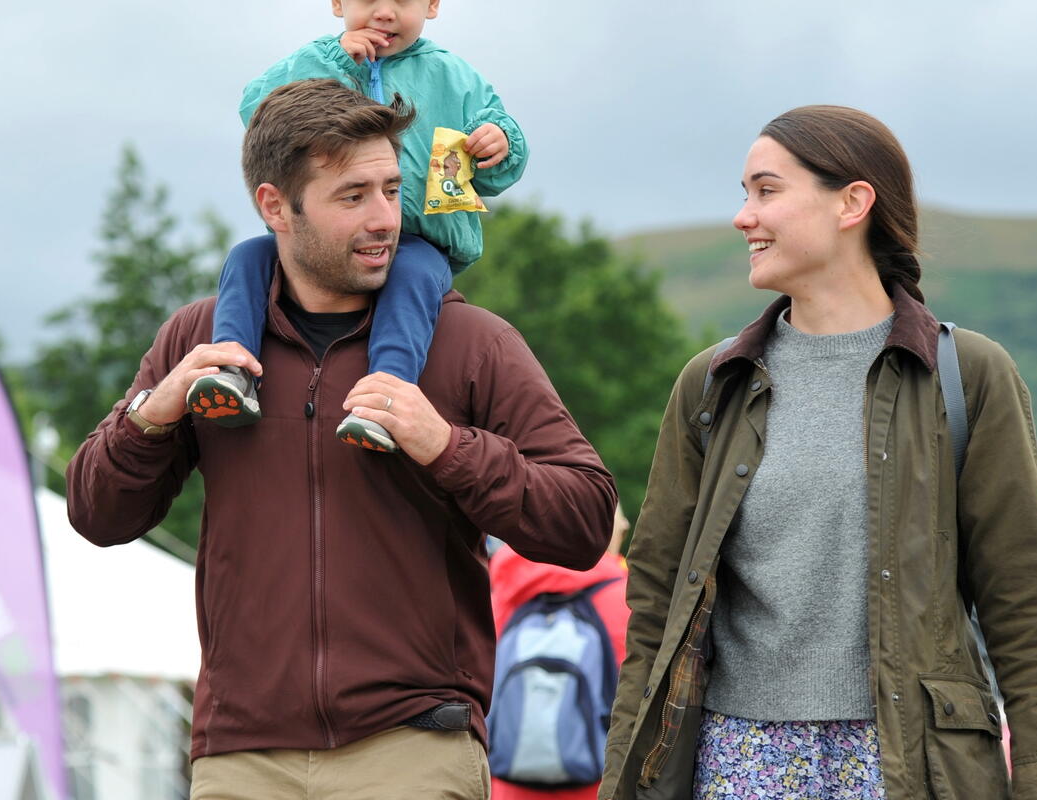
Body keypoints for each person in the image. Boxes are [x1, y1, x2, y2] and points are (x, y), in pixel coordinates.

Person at [66, 78, 614, 800]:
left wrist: (447, 445)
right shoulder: (199, 340)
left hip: (413, 746)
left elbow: (585, 519)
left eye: (391, 189)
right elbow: (97, 515)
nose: (386, 218)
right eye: (353, 196)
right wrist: (151, 415)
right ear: (275, 207)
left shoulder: (472, 341)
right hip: (240, 754)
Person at [598, 106, 1037, 800]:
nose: (743, 216)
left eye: (767, 190)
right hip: (738, 761)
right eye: (744, 193)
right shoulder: (712, 384)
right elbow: (655, 607)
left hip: (908, 760)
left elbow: (1027, 613)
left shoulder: (968, 375)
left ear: (853, 203)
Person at [188, 0, 527, 453]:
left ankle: (385, 397)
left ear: (432, 5)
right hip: (321, 237)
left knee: (410, 279)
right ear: (337, 3)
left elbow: (498, 168)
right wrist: (330, 63)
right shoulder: (319, 59)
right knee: (247, 256)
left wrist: (500, 143)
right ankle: (232, 369)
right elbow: (258, 112)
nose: (384, 12)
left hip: (421, 240)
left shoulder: (454, 76)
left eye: (402, 0)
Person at [489, 506, 632, 800]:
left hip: (507, 782)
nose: (625, 525)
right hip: (599, 785)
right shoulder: (627, 601)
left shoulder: (500, 595)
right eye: (615, 516)